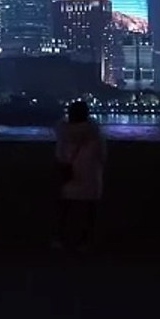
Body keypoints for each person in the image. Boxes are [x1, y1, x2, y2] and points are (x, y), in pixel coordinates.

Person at [54, 100, 107, 252]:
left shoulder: (63, 132)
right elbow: (102, 155)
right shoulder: (95, 133)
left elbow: (60, 156)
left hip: (70, 177)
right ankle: (85, 242)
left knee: (65, 210)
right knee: (89, 212)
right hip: (91, 177)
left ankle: (60, 239)